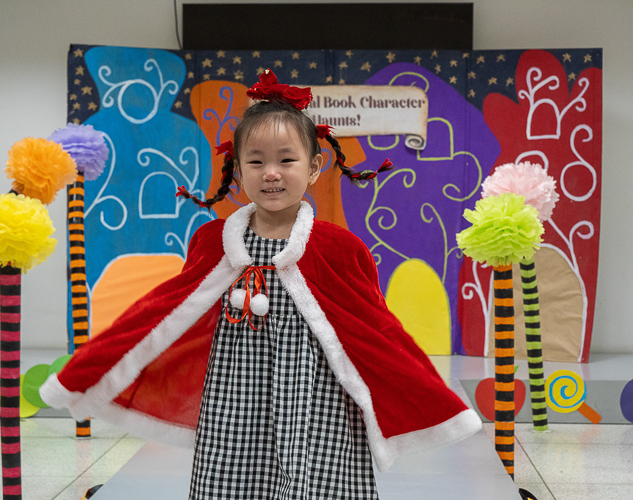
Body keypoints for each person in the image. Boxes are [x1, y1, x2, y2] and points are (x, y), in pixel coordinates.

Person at [41, 69, 482, 499]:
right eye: (256, 161)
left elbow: (377, 331)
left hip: (316, 399)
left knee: (317, 479)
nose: (271, 172)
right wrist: (93, 367)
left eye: (287, 160)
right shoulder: (213, 241)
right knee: (233, 477)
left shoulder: (338, 247)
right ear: (237, 169)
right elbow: (165, 312)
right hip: (234, 395)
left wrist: (426, 395)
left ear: (314, 166)